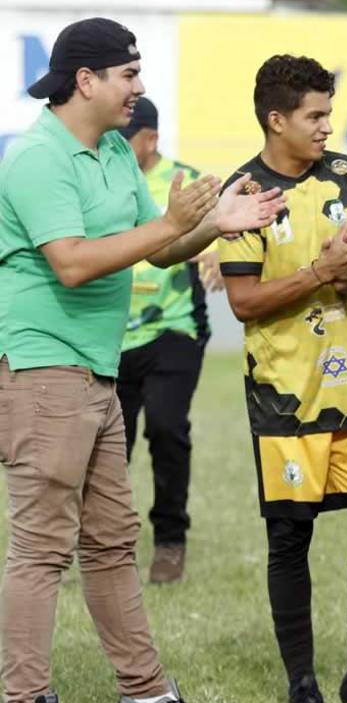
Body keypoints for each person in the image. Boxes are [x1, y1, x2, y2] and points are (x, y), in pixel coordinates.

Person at [0, 16, 281, 703]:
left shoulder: (116, 154)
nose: (141, 87)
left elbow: (155, 253)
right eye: (128, 74)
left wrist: (214, 224)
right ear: (85, 80)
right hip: (43, 366)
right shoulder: (38, 158)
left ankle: (145, 702)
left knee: (111, 540)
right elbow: (74, 261)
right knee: (40, 548)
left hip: (95, 367)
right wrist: (171, 227)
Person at [217, 54, 347, 703]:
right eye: (315, 115)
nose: (328, 126)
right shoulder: (244, 195)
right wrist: (322, 270)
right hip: (284, 397)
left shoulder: (346, 175)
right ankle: (303, 685)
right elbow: (243, 302)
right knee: (291, 535)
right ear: (277, 119)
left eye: (329, 113)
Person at [117, 96, 219, 584]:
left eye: (125, 140)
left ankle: (170, 542)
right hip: (110, 334)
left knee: (165, 426)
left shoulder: (187, 181)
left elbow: (227, 228)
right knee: (110, 445)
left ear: (151, 139)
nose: (114, 147)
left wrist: (221, 252)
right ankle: (105, 544)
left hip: (174, 328)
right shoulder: (104, 176)